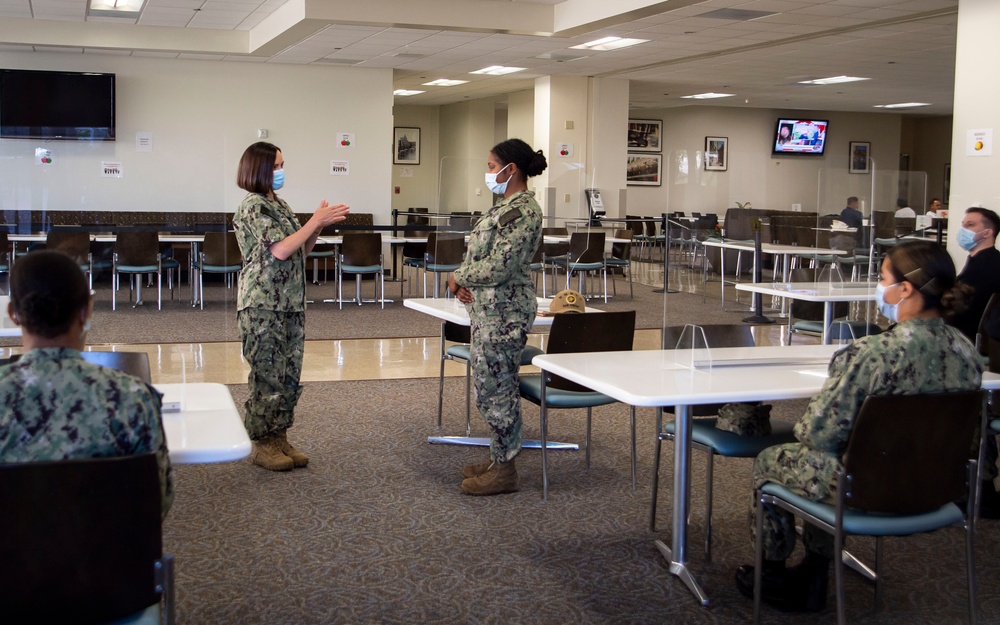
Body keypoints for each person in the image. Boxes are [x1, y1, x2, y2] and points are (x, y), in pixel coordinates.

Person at [735, 240, 981, 613]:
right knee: (831, 458)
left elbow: (819, 434)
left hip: (865, 483)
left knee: (774, 458)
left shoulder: (873, 354)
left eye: (883, 279)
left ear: (906, 289)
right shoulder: (968, 354)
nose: (879, 288)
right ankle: (815, 571)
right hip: (936, 485)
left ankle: (775, 574)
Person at [0, 250, 174, 518]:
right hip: (105, 558)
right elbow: (156, 503)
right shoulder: (132, 398)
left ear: (13, 314)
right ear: (86, 310)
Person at [233, 142, 350, 471]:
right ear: (259, 169)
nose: (281, 172)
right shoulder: (253, 207)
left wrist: (318, 227)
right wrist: (313, 221)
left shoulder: (279, 205)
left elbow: (300, 250)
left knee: (288, 375)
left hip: (290, 303)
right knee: (267, 375)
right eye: (276, 166)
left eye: (283, 164)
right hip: (263, 305)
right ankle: (262, 442)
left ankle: (279, 435)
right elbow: (280, 251)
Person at [447, 138, 545, 496]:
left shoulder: (523, 211)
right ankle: (498, 456)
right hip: (489, 310)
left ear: (511, 169)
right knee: (489, 386)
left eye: (491, 167)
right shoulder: (503, 207)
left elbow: (501, 265)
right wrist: (460, 279)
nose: (488, 174)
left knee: (498, 389)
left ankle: (505, 470)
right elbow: (481, 257)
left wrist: (458, 276)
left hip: (505, 313)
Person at [948, 207, 1000, 344]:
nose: (963, 230)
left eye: (970, 225)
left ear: (988, 233)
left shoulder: (984, 268)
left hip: (964, 338)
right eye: (963, 225)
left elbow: (960, 311)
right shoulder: (988, 259)